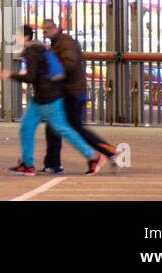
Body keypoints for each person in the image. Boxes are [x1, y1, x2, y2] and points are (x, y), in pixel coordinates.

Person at [3, 24, 106, 176]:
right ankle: (27, 164)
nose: (15, 39)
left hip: (48, 98)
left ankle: (93, 157)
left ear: (25, 37)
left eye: (17, 36)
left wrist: (11, 75)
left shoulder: (31, 50)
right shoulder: (40, 47)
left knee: (62, 128)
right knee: (27, 127)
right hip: (41, 98)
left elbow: (30, 77)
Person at [40, 18, 120, 173]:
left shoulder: (66, 42)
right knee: (53, 126)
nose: (44, 34)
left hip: (72, 93)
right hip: (67, 92)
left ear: (53, 28)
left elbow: (70, 63)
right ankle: (53, 163)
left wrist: (53, 72)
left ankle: (109, 151)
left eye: (45, 30)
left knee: (74, 128)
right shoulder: (58, 43)